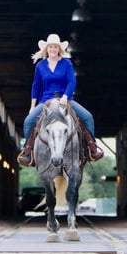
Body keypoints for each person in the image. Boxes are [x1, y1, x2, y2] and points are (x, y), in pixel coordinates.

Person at [16, 33, 104, 166]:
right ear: (46, 49)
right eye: (50, 47)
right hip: (46, 101)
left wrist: (65, 96)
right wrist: (32, 105)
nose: (53, 49)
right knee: (28, 121)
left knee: (88, 117)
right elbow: (36, 86)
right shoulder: (40, 66)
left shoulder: (67, 63)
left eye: (55, 47)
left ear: (59, 49)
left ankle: (91, 148)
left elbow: (71, 82)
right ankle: (28, 152)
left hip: (65, 100)